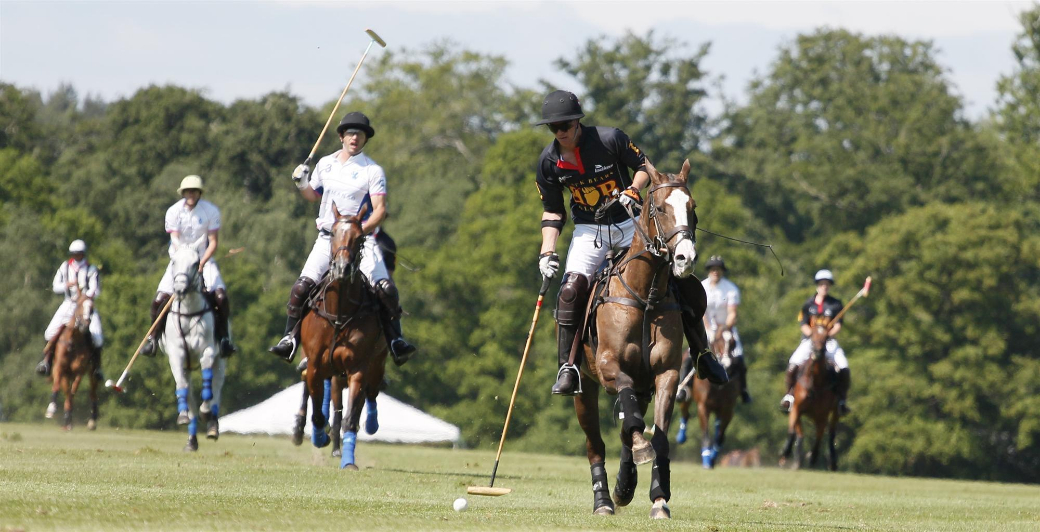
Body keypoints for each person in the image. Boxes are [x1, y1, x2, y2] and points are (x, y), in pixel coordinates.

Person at [534, 89, 727, 395]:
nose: (561, 133)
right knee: (570, 291)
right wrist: (547, 252)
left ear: (577, 123)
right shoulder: (548, 162)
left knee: (678, 276)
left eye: (565, 126)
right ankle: (568, 367)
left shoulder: (610, 139)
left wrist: (634, 189)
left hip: (631, 222)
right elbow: (553, 211)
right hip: (589, 229)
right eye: (554, 128)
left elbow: (644, 167)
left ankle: (703, 352)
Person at [268, 111, 416, 364]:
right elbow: (313, 196)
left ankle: (395, 340)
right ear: (341, 136)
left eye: (360, 134)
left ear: (365, 139)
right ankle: (290, 338)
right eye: (350, 133)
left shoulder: (373, 170)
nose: (355, 138)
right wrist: (301, 183)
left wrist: (358, 233)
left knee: (386, 289)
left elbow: (380, 210)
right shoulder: (325, 164)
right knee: (301, 287)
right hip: (328, 239)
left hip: (362, 241)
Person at [140, 175, 236, 358]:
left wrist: (200, 262)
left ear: (199, 193)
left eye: (194, 191)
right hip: (179, 262)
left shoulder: (210, 211)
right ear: (183, 193)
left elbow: (213, 242)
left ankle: (224, 339)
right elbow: (174, 238)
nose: (191, 194)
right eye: (187, 191)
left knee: (221, 297)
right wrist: (185, 260)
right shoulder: (173, 211)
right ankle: (153, 339)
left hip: (203, 261)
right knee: (159, 300)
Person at [678, 256, 751, 403]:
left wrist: (722, 328)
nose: (715, 271)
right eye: (712, 269)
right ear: (709, 271)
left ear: (722, 271)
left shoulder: (731, 289)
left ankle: (743, 390)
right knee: (688, 356)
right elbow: (700, 310)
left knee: (739, 358)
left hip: (726, 330)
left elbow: (732, 314)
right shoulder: (702, 286)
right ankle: (684, 387)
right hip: (705, 328)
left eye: (718, 269)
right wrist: (708, 328)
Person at [780, 269, 851, 415]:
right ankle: (788, 395)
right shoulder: (808, 304)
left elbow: (838, 325)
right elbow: (803, 324)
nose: (824, 287)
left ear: (830, 286)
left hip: (829, 342)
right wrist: (814, 336)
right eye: (821, 284)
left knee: (844, 367)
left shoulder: (836, 304)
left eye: (827, 284)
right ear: (817, 286)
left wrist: (826, 336)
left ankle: (841, 400)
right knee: (793, 364)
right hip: (809, 341)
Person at [36, 240, 104, 380]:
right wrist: (68, 284)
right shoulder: (65, 267)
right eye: (75, 254)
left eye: (79, 254)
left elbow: (95, 290)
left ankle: (97, 368)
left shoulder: (91, 270)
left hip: (85, 305)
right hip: (69, 303)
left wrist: (85, 296)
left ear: (83, 254)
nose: (77, 256)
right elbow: (56, 286)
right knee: (49, 332)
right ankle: (46, 362)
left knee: (98, 338)